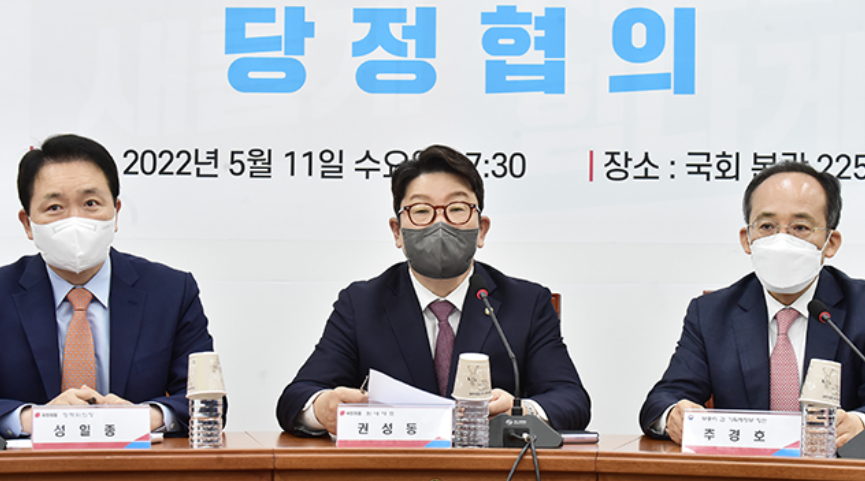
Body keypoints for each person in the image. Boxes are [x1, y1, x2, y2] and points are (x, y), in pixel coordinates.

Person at [277, 144, 590, 436]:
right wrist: (323, 408)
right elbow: (296, 398)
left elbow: (571, 400)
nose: (440, 223)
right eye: (421, 210)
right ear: (397, 232)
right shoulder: (361, 304)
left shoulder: (526, 303)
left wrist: (520, 411)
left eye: (457, 208)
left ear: (481, 230)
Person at [0, 133, 218, 438]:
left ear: (115, 212)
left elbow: (206, 401)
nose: (75, 221)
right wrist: (31, 419)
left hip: (135, 461)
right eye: (55, 208)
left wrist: (145, 416)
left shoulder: (171, 292)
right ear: (27, 223)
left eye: (91, 203)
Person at [640, 160, 865, 447]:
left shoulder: (860, 308)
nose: (782, 240)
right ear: (747, 239)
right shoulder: (711, 314)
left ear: (830, 242)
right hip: (744, 467)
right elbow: (661, 401)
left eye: (800, 227)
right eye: (767, 226)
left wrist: (860, 423)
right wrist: (674, 414)